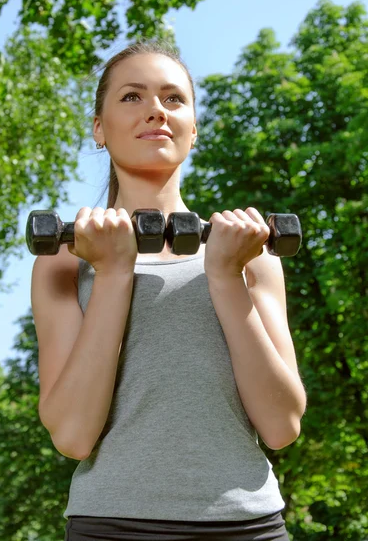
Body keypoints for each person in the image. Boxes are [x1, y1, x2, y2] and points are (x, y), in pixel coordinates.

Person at [31, 40, 307, 541]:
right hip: (111, 526)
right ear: (99, 128)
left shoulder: (250, 254)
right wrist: (114, 275)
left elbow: (282, 425)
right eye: (132, 97)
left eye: (174, 99)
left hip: (249, 525)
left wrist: (225, 278)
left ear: (193, 128)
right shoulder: (63, 261)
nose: (156, 109)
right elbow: (72, 435)